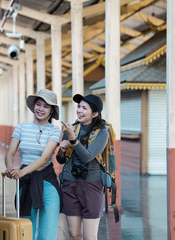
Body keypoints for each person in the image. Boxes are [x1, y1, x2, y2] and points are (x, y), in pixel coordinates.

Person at [5, 89, 62, 240]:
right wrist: (11, 169)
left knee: (47, 235)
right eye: (38, 104)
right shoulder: (21, 127)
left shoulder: (54, 131)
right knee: (25, 232)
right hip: (26, 182)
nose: (41, 109)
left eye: (46, 106)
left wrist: (21, 173)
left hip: (47, 182)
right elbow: (10, 152)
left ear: (51, 111)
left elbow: (44, 159)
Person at [56, 94, 109, 240]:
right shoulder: (71, 129)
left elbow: (87, 157)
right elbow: (61, 160)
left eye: (84, 108)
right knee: (74, 235)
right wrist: (61, 150)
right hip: (70, 184)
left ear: (95, 113)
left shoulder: (103, 132)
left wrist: (73, 138)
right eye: (79, 106)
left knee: (89, 237)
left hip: (91, 186)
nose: (79, 110)